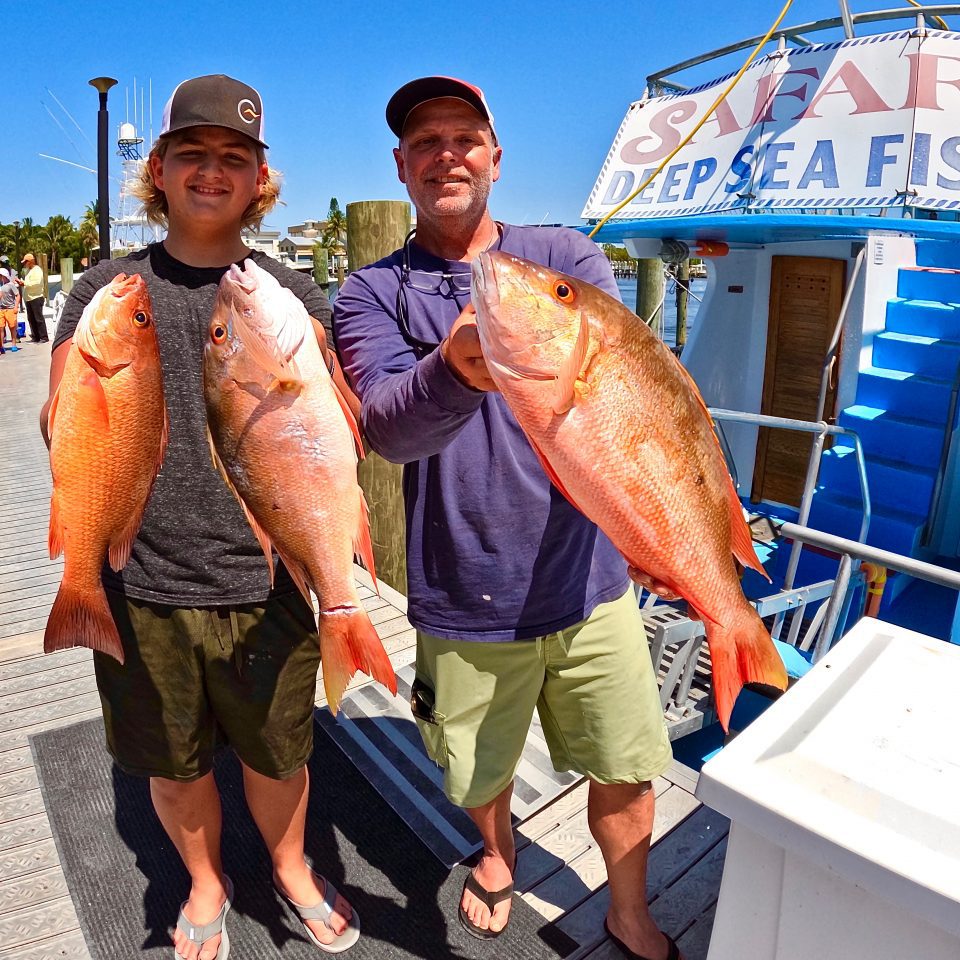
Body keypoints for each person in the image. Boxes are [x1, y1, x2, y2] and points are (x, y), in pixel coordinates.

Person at [333, 77, 682, 960]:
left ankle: (629, 905)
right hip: (463, 592)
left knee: (628, 759)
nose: (446, 154)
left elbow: (627, 398)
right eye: (426, 143)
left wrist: (654, 528)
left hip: (590, 581)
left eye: (465, 138)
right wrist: (453, 368)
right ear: (402, 168)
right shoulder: (370, 292)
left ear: (495, 156)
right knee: (479, 772)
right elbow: (384, 428)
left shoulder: (564, 254)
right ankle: (497, 855)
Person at [41, 74, 359, 960]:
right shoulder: (107, 289)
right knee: (172, 763)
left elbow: (340, 427)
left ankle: (291, 869)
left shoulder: (293, 293)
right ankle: (208, 880)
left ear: (261, 177)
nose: (212, 172)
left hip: (272, 573)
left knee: (280, 751)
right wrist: (70, 403)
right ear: (160, 168)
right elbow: (57, 423)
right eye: (194, 154)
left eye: (234, 158)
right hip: (138, 581)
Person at [19, 252, 48, 343]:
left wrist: (24, 283)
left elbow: (36, 283)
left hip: (36, 297)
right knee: (31, 318)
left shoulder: (37, 270)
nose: (25, 264)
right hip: (29, 298)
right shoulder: (28, 271)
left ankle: (43, 337)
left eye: (26, 262)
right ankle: (35, 336)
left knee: (38, 318)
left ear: (31, 261)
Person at [0, 266, 21, 351]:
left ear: (3, 276)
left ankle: (14, 344)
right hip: (1, 309)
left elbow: (18, 295)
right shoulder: (1, 285)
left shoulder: (11, 285)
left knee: (12, 327)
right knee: (1, 327)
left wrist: (16, 306)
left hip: (10, 308)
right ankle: (1, 346)